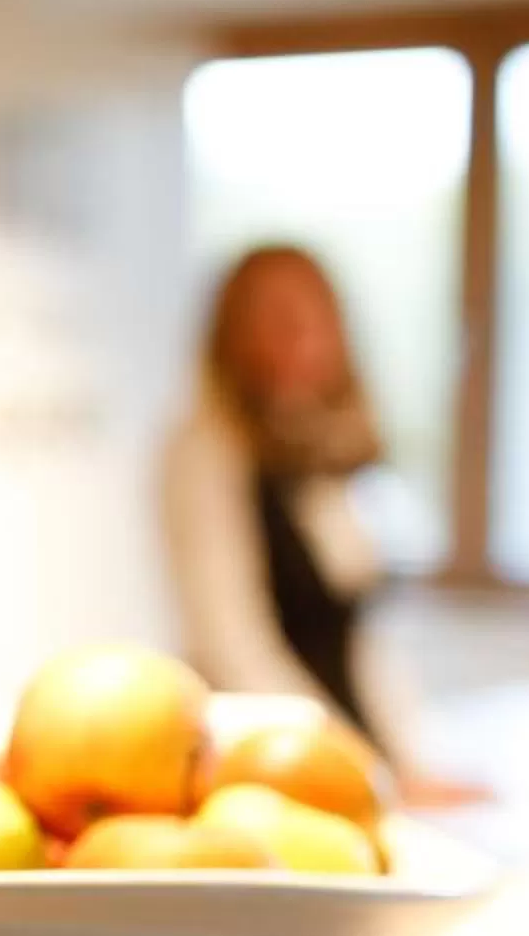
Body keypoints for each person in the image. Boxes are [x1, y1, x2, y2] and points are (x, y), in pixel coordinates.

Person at [160, 244, 469, 800]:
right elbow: (234, 645)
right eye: (272, 317)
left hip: (350, 754)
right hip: (269, 758)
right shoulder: (206, 452)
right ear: (233, 333)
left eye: (309, 312)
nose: (296, 332)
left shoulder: (335, 448)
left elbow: (362, 636)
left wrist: (411, 760)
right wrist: (354, 766)